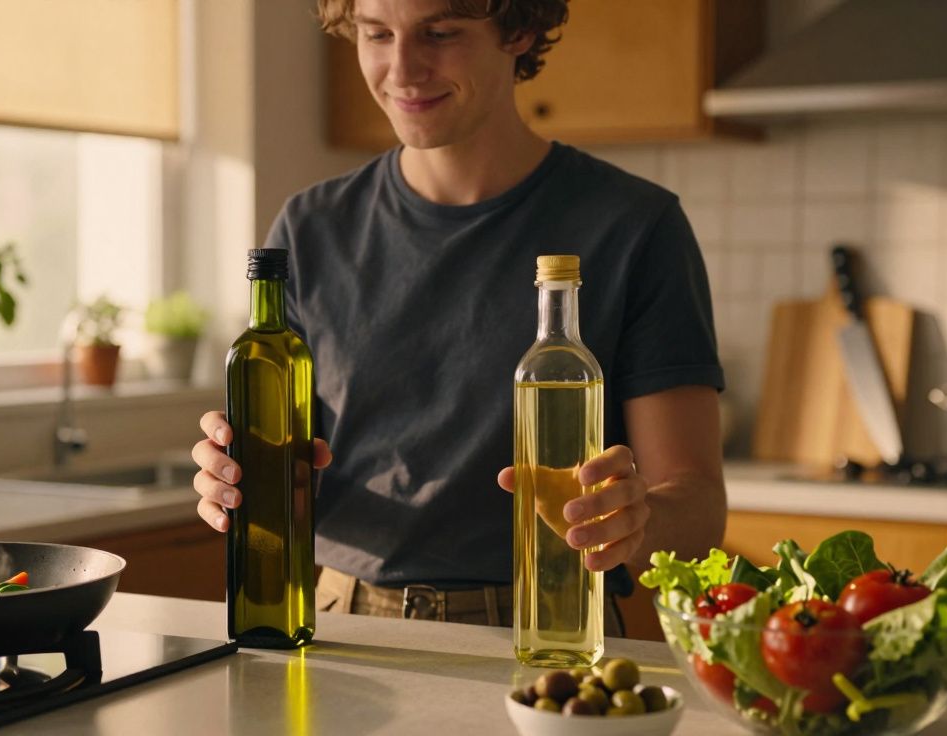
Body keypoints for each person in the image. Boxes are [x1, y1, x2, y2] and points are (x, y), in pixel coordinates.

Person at [189, 0, 726, 629]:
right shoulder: (310, 230)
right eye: (377, 34)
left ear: (519, 31)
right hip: (345, 620)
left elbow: (696, 510)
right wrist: (238, 478)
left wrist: (637, 521)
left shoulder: (635, 227)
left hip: (551, 628)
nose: (402, 68)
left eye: (440, 34)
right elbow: (293, 476)